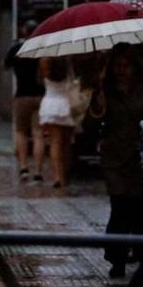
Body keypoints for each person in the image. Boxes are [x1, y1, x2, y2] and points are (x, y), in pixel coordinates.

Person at [87, 46, 143, 278]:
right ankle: (117, 259)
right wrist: (97, 107)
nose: (122, 70)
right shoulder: (104, 89)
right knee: (120, 207)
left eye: (126, 65)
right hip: (114, 158)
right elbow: (91, 126)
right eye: (118, 65)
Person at [36, 55, 86, 188]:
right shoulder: (66, 64)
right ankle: (65, 173)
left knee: (55, 143)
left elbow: (41, 80)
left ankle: (57, 176)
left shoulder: (45, 63)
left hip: (50, 105)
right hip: (66, 105)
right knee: (66, 144)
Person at [6, 22, 45, 183]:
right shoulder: (41, 49)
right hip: (40, 96)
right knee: (38, 134)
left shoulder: (16, 50)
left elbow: (6, 65)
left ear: (23, 30)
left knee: (21, 132)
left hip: (22, 96)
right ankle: (38, 170)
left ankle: (23, 167)